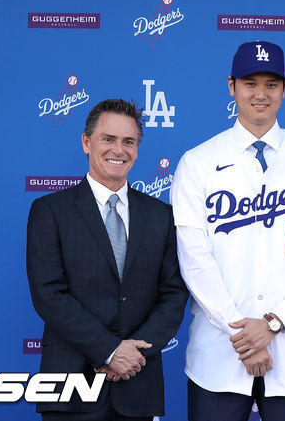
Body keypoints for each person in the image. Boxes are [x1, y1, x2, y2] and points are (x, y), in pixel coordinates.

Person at [170, 41, 285, 421]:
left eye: (271, 84)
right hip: (220, 353)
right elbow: (194, 259)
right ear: (231, 86)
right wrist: (244, 335)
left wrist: (273, 324)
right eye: (249, 82)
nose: (260, 93)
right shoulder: (197, 163)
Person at [26, 99, 189, 421]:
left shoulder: (161, 216)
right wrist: (110, 351)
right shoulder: (50, 211)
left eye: (129, 141)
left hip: (137, 384)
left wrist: (133, 355)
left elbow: (173, 293)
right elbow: (49, 294)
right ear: (87, 142)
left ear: (138, 149)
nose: (119, 149)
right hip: (71, 386)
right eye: (108, 139)